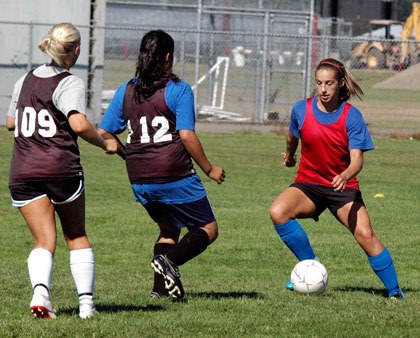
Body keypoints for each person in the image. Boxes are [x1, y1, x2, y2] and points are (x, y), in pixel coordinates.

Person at [98, 30, 225, 300]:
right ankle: (171, 262)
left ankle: (159, 291)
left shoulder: (126, 90)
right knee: (208, 229)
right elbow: (187, 135)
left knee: (168, 229)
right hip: (173, 172)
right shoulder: (178, 89)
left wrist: (126, 153)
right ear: (168, 57)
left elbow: (104, 132)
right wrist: (210, 169)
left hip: (139, 177)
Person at [7, 23, 118, 319]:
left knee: (44, 240)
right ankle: (86, 306)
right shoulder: (71, 82)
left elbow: (10, 122)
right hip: (59, 168)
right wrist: (104, 143)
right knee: (76, 235)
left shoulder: (24, 80)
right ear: (77, 50)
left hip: (24, 170)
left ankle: (41, 294)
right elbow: (79, 124)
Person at [269, 58, 405, 300]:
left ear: (340, 83)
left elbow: (357, 161)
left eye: (329, 83)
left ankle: (394, 291)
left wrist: (345, 175)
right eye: (319, 83)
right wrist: (290, 155)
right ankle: (312, 268)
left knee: (365, 235)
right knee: (278, 211)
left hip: (342, 187)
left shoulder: (352, 117)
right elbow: (292, 134)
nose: (323, 89)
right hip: (308, 184)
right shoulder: (302, 109)